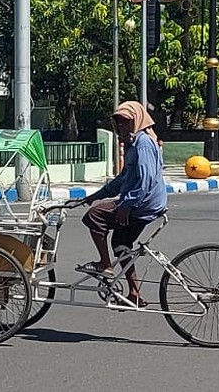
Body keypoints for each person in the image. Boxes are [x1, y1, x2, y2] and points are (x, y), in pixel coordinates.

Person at [74, 101, 167, 308]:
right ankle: (134, 293)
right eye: (119, 123)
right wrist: (96, 195)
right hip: (142, 203)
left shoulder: (143, 143)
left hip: (144, 204)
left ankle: (105, 265)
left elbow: (146, 180)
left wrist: (127, 204)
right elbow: (123, 179)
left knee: (94, 216)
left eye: (126, 122)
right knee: (121, 244)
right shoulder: (134, 144)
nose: (122, 127)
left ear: (137, 121)